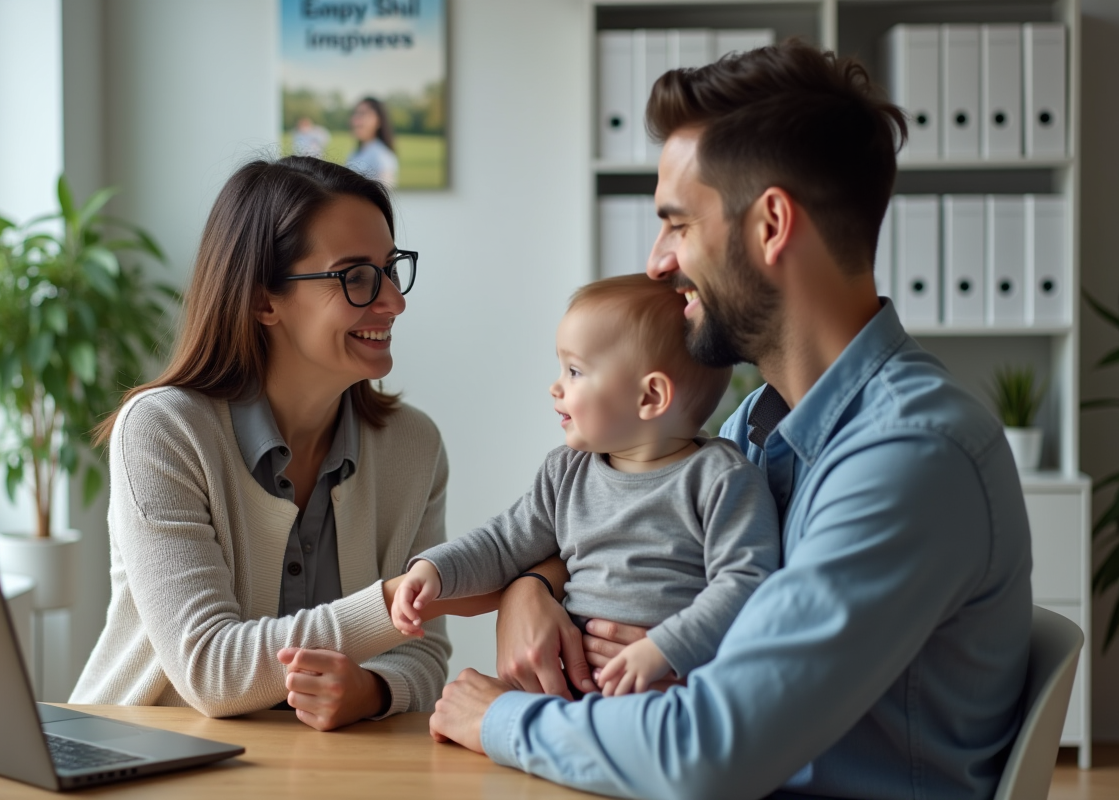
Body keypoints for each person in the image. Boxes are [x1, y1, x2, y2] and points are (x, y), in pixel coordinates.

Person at [428, 40, 1032, 800]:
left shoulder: (909, 457)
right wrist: (532, 590)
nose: (656, 262)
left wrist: (501, 720)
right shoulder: (758, 428)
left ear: (771, 225)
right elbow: (622, 523)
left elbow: (710, 751)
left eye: (677, 224)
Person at [71, 156, 485, 730]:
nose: (394, 301)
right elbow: (210, 669)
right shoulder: (162, 432)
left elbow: (422, 654)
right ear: (264, 300)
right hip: (139, 756)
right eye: (357, 277)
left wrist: (370, 690)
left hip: (317, 771)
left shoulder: (413, 446)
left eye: (391, 270)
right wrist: (393, 602)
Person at [391, 275, 780, 696]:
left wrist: (663, 649)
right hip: (568, 697)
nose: (555, 386)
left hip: (667, 702)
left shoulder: (723, 479)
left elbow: (745, 583)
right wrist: (434, 569)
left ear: (650, 397)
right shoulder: (567, 472)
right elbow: (504, 544)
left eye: (575, 371)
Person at [345, 97, 399, 188]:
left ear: (379, 121)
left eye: (363, 114)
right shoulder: (355, 153)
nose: (356, 120)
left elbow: (385, 196)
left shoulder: (382, 156)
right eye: (355, 113)